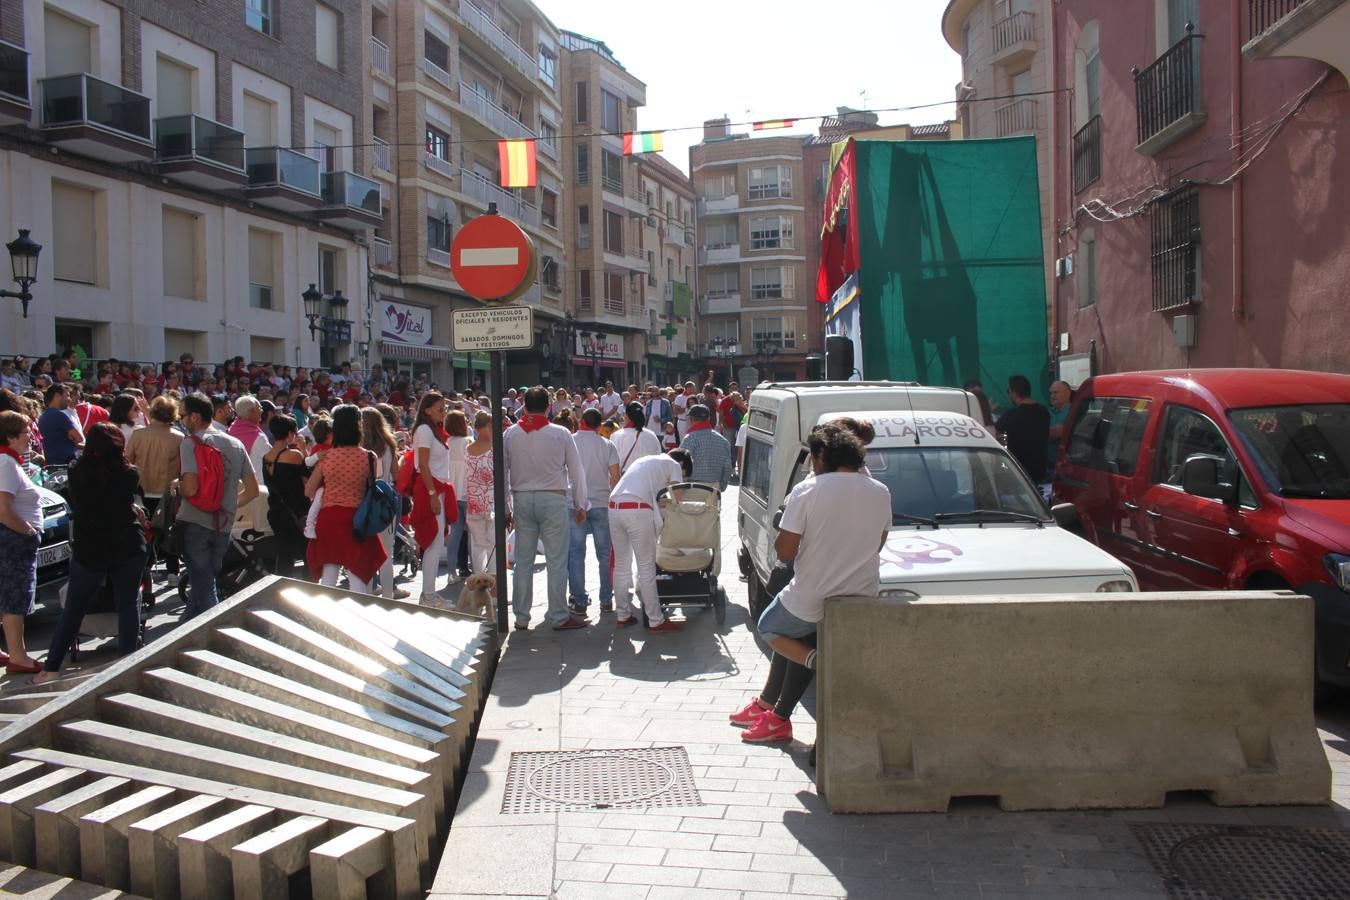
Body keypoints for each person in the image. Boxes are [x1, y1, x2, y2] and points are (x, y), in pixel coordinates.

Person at [731, 424, 891, 743]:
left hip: (812, 594)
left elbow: (786, 551)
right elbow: (879, 543)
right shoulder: (880, 490)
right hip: (861, 594)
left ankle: (816, 662)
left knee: (770, 627)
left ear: (820, 455)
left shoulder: (809, 489)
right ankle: (776, 709)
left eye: (811, 457)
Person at [32, 424, 148, 682]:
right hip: (126, 542)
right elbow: (121, 499)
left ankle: (51, 668)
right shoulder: (130, 474)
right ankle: (126, 663)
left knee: (74, 608)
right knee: (128, 604)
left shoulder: (77, 472)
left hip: (90, 546)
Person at [503, 386, 588, 631]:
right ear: (549, 406)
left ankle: (521, 617)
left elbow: (503, 472)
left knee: (523, 561)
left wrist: (506, 506)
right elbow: (576, 471)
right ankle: (559, 615)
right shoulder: (561, 433)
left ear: (524, 406)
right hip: (553, 498)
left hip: (521, 499)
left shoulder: (510, 434)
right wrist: (580, 503)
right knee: (556, 560)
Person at [176, 393, 259, 619]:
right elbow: (253, 490)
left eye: (182, 416)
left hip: (194, 521)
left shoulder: (190, 444)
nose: (181, 421)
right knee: (203, 581)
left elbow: (191, 488)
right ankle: (185, 629)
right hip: (223, 524)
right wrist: (228, 505)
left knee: (204, 587)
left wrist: (178, 487)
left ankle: (216, 630)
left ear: (194, 417)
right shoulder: (235, 443)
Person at [609, 448, 693, 633]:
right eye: (684, 474)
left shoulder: (646, 460)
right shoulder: (673, 465)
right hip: (637, 510)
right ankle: (656, 620)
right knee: (646, 568)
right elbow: (677, 498)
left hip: (614, 506)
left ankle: (623, 615)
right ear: (681, 465)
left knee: (622, 565)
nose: (681, 477)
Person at [305, 405, 388, 592]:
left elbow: (309, 490)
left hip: (329, 519)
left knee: (329, 577)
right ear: (358, 426)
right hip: (357, 520)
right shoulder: (369, 457)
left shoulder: (326, 457)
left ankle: (325, 619)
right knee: (358, 576)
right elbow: (371, 487)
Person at [0, 410, 44, 673]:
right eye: (27, 431)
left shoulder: (8, 460)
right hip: (14, 539)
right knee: (15, 597)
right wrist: (28, 531)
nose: (31, 435)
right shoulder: (6, 462)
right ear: (11, 435)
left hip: (11, 538)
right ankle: (18, 656)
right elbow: (3, 509)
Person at [568, 408, 620, 616]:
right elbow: (615, 476)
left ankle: (579, 600)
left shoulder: (570, 441)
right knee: (604, 554)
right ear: (600, 426)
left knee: (576, 553)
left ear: (581, 421)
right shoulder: (607, 444)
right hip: (601, 502)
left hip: (575, 503)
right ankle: (606, 600)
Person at [126, 395, 184, 578]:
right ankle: (173, 572)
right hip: (168, 491)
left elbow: (127, 461)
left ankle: (146, 570)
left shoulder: (138, 434)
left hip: (142, 491)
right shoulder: (179, 437)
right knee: (171, 532)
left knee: (145, 532)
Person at [411, 392, 455, 605]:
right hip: (431, 490)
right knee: (433, 543)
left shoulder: (432, 430)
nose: (443, 410)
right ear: (427, 409)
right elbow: (423, 465)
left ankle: (428, 593)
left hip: (437, 489)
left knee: (435, 543)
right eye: (440, 406)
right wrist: (432, 495)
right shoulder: (425, 430)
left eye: (444, 407)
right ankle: (428, 595)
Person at [262, 415, 310, 577]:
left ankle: (280, 589)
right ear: (290, 434)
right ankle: (310, 590)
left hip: (276, 511)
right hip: (297, 512)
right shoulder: (294, 455)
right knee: (308, 553)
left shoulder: (266, 457)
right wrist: (303, 449)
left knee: (284, 554)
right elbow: (308, 480)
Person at [464, 411, 504, 576]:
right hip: (493, 502)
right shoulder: (496, 448)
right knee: (494, 545)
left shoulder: (466, 449)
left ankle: (478, 582)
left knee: (477, 545)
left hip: (473, 503)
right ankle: (494, 589)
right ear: (488, 427)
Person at [996, 374, 1052, 485]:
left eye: (1009, 391)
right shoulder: (1044, 412)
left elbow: (998, 435)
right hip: (1040, 468)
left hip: (1018, 469)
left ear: (1015, 392)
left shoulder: (1011, 415)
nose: (1009, 395)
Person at [442, 409, 472, 583]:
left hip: (452, 493)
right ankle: (475, 570)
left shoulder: (446, 442)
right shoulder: (467, 441)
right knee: (475, 534)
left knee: (456, 533)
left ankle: (451, 572)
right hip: (468, 493)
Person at [679, 404, 734, 491]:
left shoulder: (689, 438)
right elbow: (727, 466)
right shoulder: (723, 441)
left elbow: (682, 464)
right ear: (708, 418)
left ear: (691, 419)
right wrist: (721, 486)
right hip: (714, 487)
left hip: (692, 487)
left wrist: (682, 486)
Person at [610, 401, 662, 474]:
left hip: (626, 477)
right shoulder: (651, 435)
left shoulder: (616, 435)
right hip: (649, 477)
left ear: (626, 416)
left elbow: (613, 462)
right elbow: (658, 456)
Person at [38, 384, 83, 464]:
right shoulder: (59, 415)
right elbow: (79, 438)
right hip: (65, 465)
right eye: (67, 396)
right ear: (57, 396)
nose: (69, 399)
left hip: (53, 463)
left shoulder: (43, 415)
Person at [1046, 380, 1073, 479]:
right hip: (1046, 467)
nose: (1052, 396)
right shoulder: (1047, 412)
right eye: (1051, 393)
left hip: (1064, 469)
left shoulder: (1073, 412)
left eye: (1056, 392)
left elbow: (1055, 433)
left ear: (1068, 393)